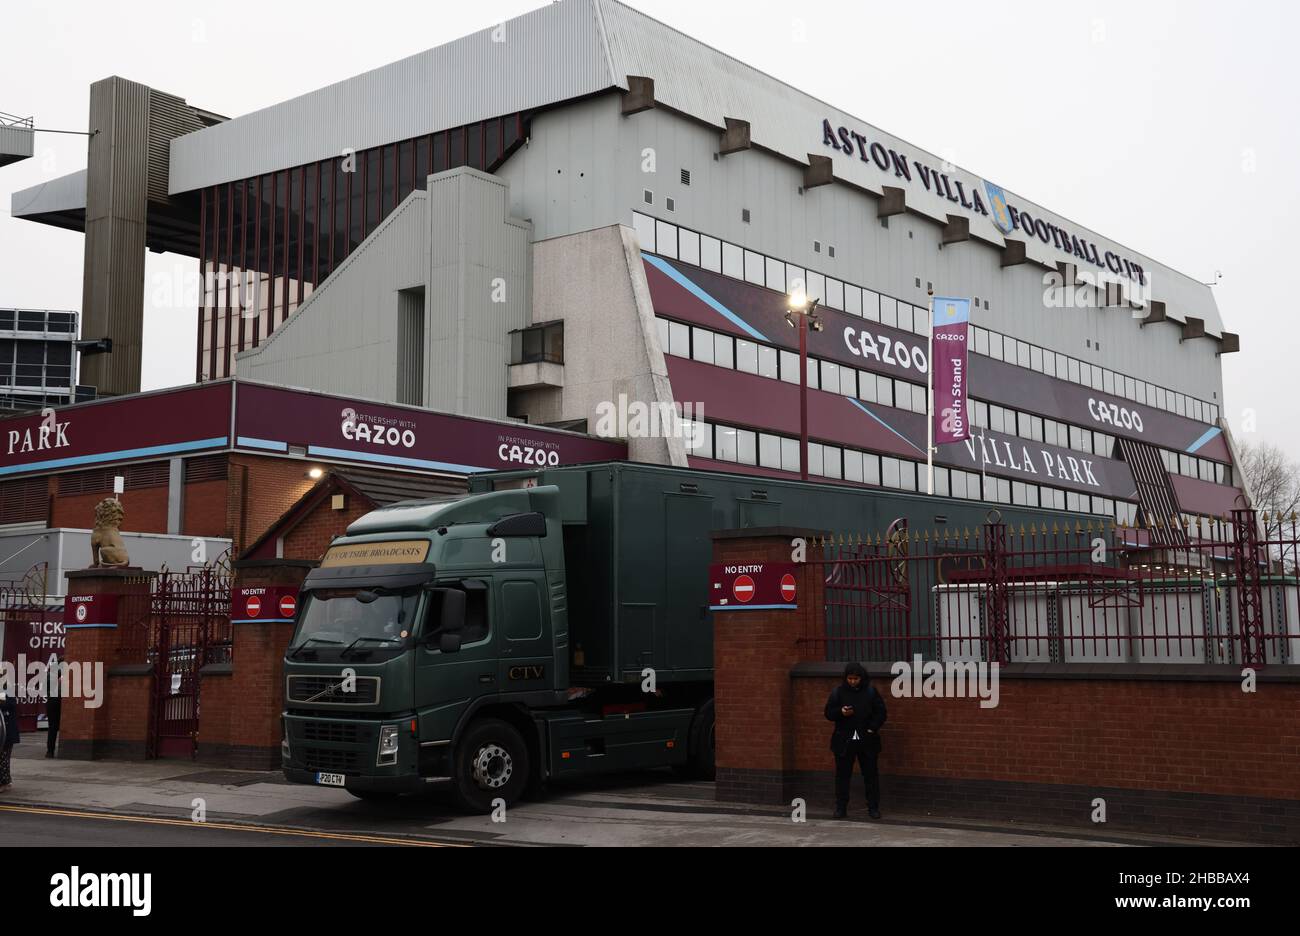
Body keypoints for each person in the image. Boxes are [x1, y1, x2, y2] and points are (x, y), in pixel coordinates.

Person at [824, 661, 887, 820]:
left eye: (856, 679)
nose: (852, 681)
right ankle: (841, 808)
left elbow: (881, 712)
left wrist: (872, 728)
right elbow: (828, 713)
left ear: (861, 678)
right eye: (850, 678)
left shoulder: (871, 692)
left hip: (867, 740)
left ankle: (873, 807)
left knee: (871, 776)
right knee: (842, 776)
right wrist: (841, 712)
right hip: (844, 741)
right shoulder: (838, 692)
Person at [0, 688, 19, 793]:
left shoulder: (7, 691)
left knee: (3, 758)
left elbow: (11, 704)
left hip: (6, 732)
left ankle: (5, 782)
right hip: (3, 730)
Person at [45, 652, 62, 758]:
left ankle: (50, 751)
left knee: (52, 727)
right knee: (55, 726)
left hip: (51, 701)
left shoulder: (50, 673)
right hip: (58, 701)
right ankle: (51, 750)